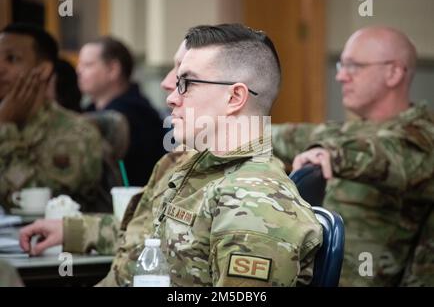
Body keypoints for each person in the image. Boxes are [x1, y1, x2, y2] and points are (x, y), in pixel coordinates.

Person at [20, 24, 322, 287]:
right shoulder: (195, 166)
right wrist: (72, 230)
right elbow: (145, 235)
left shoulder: (254, 203)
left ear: (235, 97)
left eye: (186, 83)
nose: (171, 97)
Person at [272, 26, 434, 286]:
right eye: (341, 66)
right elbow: (282, 136)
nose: (341, 77)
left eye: (354, 66)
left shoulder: (422, 138)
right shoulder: (350, 130)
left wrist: (332, 155)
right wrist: (219, 129)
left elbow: (389, 156)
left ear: (393, 72)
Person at [0, 23, 104, 213]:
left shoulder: (77, 134)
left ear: (43, 70)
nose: (0, 68)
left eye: (11, 59)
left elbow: (35, 206)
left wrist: (4, 128)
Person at [76, 37, 166, 187]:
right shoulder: (90, 109)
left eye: (88, 65)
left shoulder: (136, 114)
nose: (79, 70)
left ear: (113, 69)